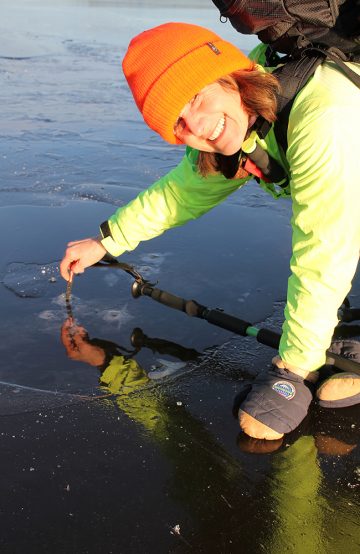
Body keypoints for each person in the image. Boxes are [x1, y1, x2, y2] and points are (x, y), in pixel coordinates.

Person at [60, 22, 360, 440]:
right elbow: (186, 190)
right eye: (178, 123)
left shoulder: (322, 115)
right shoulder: (251, 98)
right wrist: (105, 240)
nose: (198, 129)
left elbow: (324, 249)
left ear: (228, 76)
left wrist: (294, 366)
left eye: (197, 98)